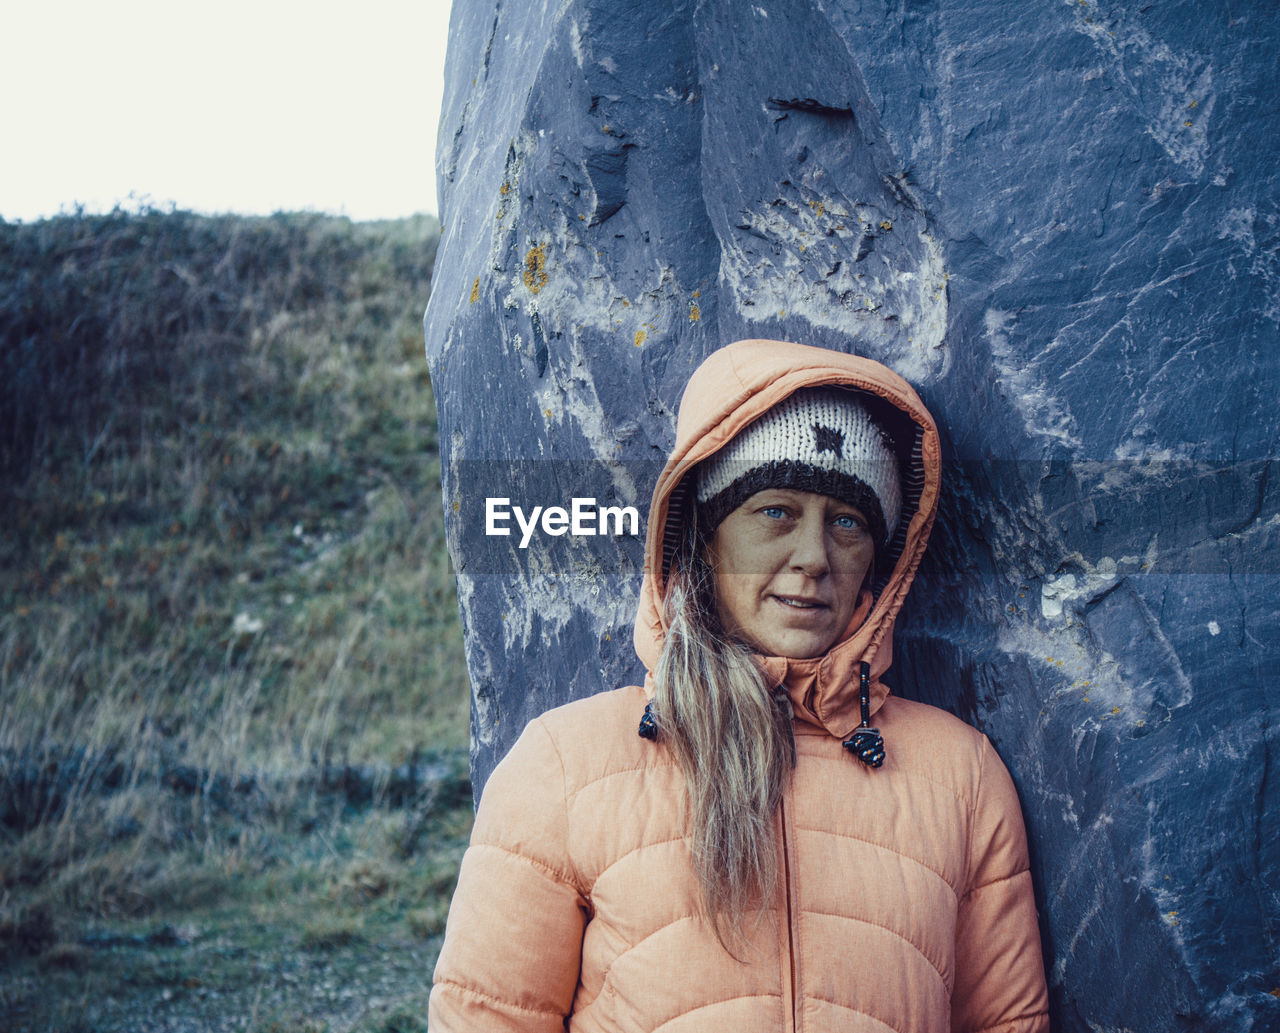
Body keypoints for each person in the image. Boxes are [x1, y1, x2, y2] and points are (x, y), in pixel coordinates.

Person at [428, 339, 1049, 1033]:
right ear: (705, 534)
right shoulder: (565, 766)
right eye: (775, 510)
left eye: (847, 522)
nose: (814, 557)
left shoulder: (961, 778)